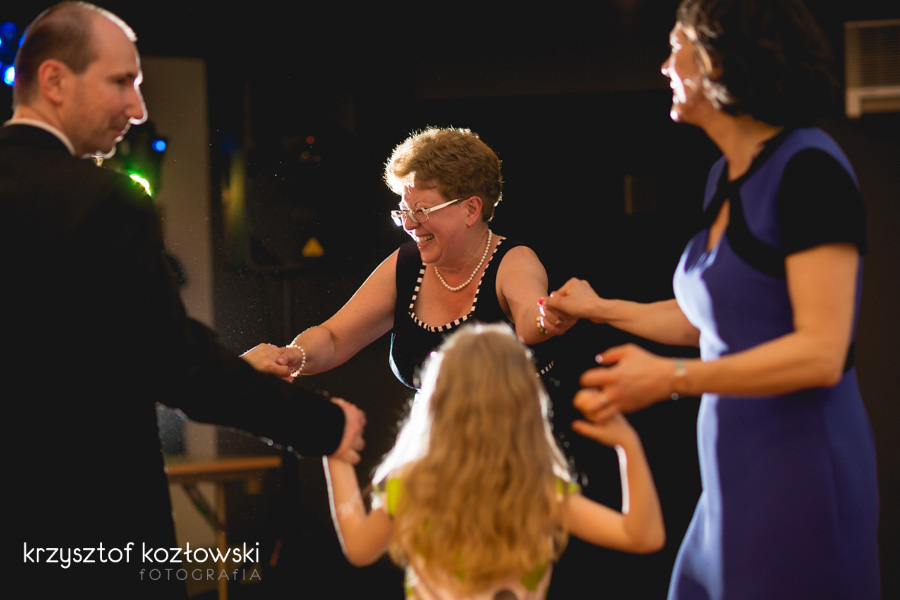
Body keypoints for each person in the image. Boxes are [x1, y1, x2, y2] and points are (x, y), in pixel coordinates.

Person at [2, 3, 364, 598]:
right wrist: (320, 424)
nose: (138, 109)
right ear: (54, 80)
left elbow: (63, 360)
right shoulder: (105, 202)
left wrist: (231, 368)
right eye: (122, 81)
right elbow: (173, 365)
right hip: (89, 533)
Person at [543, 1, 880, 598]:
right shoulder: (724, 177)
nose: (665, 65)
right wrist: (598, 308)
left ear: (721, 59)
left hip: (799, 458)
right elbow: (713, 322)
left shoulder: (810, 169)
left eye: (677, 47)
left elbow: (822, 353)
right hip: (735, 463)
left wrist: (671, 378)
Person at [324, 324, 664, 599]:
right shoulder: (539, 491)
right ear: (526, 406)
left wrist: (336, 449)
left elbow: (359, 548)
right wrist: (628, 444)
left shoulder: (414, 485)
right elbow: (643, 537)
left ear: (438, 405)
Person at [244, 127, 574, 390]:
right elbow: (334, 338)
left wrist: (547, 318)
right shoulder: (407, 264)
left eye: (422, 210)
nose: (410, 224)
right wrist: (292, 356)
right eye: (403, 211)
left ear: (471, 209)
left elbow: (531, 316)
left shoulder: (513, 261)